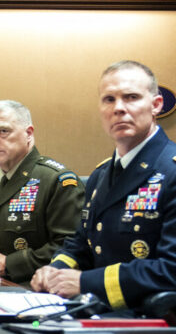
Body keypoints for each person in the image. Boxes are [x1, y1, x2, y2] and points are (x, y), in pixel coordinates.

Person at [31, 60, 176, 310]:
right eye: (109, 99)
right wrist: (54, 270)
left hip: (149, 324)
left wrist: (87, 282)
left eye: (131, 97)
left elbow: (171, 269)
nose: (119, 108)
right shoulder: (101, 175)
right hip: (94, 312)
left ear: (156, 105)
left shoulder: (171, 170)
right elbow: (81, 244)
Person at [0, 100, 85, 283]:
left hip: (31, 288)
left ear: (28, 134)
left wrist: (10, 264)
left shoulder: (56, 181)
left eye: (3, 131)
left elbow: (70, 247)